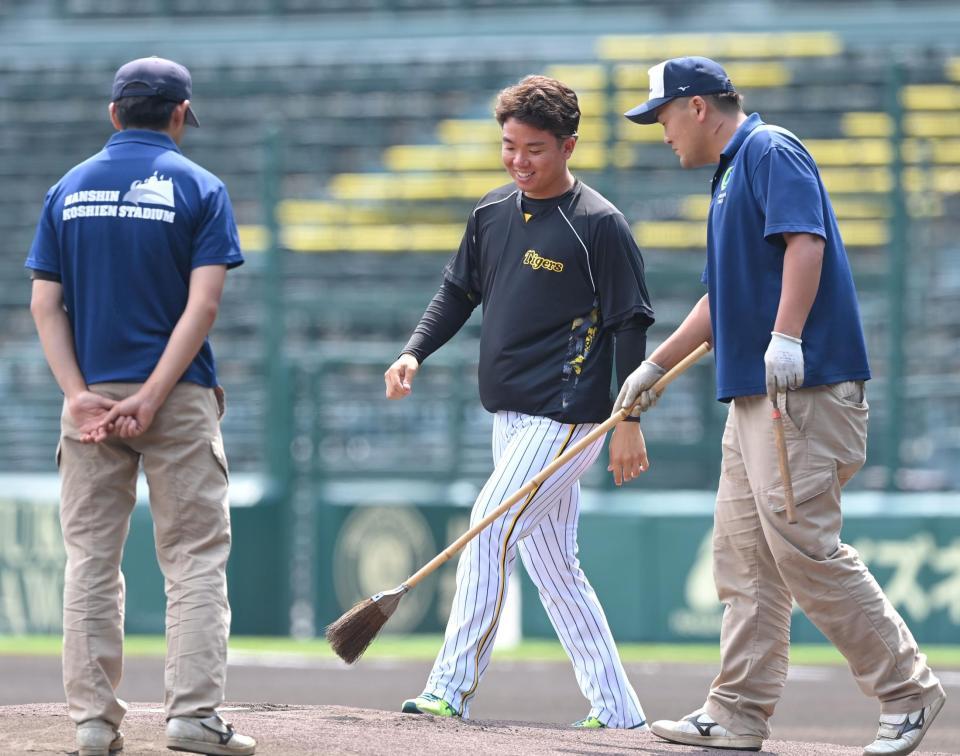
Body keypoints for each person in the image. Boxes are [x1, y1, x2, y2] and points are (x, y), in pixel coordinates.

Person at [616, 56, 945, 755]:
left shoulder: (769, 149)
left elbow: (805, 241)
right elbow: (718, 301)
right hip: (752, 398)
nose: (662, 132)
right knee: (743, 560)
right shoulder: (728, 175)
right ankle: (736, 711)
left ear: (698, 107)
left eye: (665, 117)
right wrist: (656, 366)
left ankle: (908, 692)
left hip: (803, 391)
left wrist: (788, 335)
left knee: (804, 551)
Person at [384, 75, 654, 729]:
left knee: (487, 531)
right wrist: (414, 350)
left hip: (567, 414)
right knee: (557, 569)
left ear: (568, 146)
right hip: (508, 417)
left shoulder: (600, 225)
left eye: (534, 148)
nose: (518, 161)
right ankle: (619, 711)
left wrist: (630, 419)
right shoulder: (491, 214)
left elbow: (631, 324)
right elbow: (456, 293)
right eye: (509, 146)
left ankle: (450, 687)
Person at [26, 56, 256, 756]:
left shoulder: (67, 189)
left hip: (90, 400)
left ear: (114, 113)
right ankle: (191, 718)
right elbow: (205, 303)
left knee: (91, 559)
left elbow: (44, 304)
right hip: (177, 400)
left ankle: (94, 723)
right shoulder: (201, 187)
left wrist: (76, 395)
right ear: (180, 115)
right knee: (192, 557)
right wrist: (155, 394)